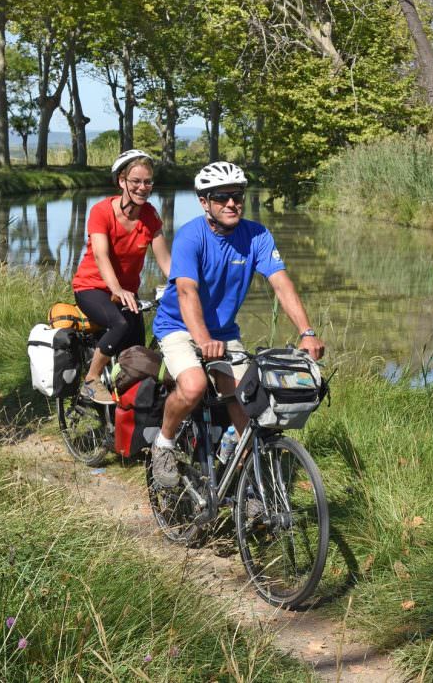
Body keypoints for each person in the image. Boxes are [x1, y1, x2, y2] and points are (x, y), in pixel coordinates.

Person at [149, 161, 325, 487]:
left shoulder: (257, 235)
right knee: (193, 386)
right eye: (221, 197)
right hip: (179, 326)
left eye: (237, 195)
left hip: (224, 333)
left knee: (252, 405)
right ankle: (164, 443)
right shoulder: (191, 235)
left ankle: (249, 486)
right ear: (205, 202)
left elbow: (282, 284)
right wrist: (202, 340)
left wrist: (307, 332)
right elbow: (187, 292)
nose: (232, 203)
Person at [71, 149, 171, 404]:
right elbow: (102, 256)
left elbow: (166, 261)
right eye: (135, 181)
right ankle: (91, 381)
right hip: (93, 287)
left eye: (147, 181)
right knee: (120, 325)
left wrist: (186, 286)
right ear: (121, 181)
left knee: (135, 353)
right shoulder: (101, 211)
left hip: (126, 293)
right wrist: (117, 289)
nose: (142, 187)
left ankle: (126, 413)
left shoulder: (150, 215)